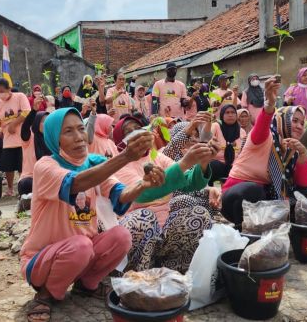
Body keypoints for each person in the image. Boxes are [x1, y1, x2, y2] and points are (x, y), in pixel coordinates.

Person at [19, 108, 163, 322]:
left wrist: (143, 184)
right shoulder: (46, 166)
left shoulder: (95, 163)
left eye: (80, 128)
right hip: (41, 260)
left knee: (121, 236)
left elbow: (119, 194)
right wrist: (125, 157)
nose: (78, 137)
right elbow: (77, 183)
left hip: (80, 254)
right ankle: (46, 293)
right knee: (81, 246)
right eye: (68, 131)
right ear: (53, 138)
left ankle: (86, 285)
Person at [112, 115, 214, 272]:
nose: (135, 134)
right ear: (121, 140)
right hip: (137, 231)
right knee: (145, 217)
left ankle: (171, 271)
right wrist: (185, 163)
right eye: (128, 132)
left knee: (200, 215)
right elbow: (143, 195)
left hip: (164, 226)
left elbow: (188, 181)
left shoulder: (157, 157)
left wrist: (203, 163)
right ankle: (137, 276)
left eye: (137, 129)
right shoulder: (120, 164)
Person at [221, 77, 307, 226]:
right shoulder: (264, 137)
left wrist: (303, 155)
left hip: (266, 198)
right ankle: (244, 232)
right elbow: (262, 124)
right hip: (236, 197)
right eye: (294, 120)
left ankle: (288, 230)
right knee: (254, 190)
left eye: (302, 123)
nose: (299, 126)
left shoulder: (293, 150)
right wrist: (269, 103)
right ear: (281, 120)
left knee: (306, 195)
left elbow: (304, 184)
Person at [0, 78, 31, 197]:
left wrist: (14, 123)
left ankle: (23, 188)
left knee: (22, 166)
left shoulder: (19, 96)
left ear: (8, 89)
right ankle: (10, 189)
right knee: (8, 166)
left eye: (1, 91)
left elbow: (27, 112)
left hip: (23, 138)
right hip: (8, 140)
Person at [18, 104, 51, 202]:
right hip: (31, 178)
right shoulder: (29, 138)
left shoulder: (51, 139)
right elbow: (25, 126)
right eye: (43, 122)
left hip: (48, 177)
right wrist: (33, 110)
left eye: (48, 122)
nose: (46, 124)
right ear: (36, 122)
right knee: (26, 184)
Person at [209, 105, 246, 185]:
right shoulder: (216, 126)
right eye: (227, 112)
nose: (230, 115)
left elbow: (243, 152)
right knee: (214, 166)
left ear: (236, 115)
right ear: (222, 114)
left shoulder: (241, 131)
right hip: (217, 163)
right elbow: (208, 142)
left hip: (235, 165)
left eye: (233, 112)